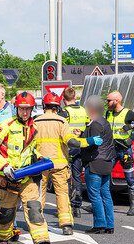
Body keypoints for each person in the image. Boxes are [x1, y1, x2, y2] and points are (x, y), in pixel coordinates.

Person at [0, 91, 54, 244]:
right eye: (22, 109)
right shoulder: (6, 125)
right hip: (7, 178)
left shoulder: (34, 128)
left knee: (34, 209)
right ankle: (2, 240)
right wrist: (5, 166)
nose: (25, 112)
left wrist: (39, 157)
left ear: (32, 109)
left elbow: (32, 149)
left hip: (26, 178)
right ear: (16, 108)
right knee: (7, 213)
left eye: (28, 109)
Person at [34, 92, 98, 235]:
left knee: (39, 194)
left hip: (40, 165)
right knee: (62, 194)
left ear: (44, 106)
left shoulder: (36, 122)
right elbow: (71, 141)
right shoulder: (62, 122)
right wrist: (89, 141)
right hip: (59, 165)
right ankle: (66, 225)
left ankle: (38, 222)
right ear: (58, 107)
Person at [105, 91, 134, 216]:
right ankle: (102, 203)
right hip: (111, 149)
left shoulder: (128, 113)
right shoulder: (108, 113)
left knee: (130, 177)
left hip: (124, 149)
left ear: (116, 101)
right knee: (104, 175)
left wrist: (131, 126)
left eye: (109, 101)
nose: (107, 103)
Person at [81, 95, 116, 234]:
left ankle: (99, 224)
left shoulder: (95, 124)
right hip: (107, 162)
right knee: (106, 194)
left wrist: (81, 141)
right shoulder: (105, 122)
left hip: (95, 162)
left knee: (95, 195)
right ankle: (109, 225)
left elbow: (93, 144)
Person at [58, 86, 89, 218]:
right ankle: (77, 207)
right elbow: (88, 127)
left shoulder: (65, 113)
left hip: (69, 148)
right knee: (77, 178)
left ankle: (67, 207)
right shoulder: (83, 110)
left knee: (65, 179)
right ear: (75, 97)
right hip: (82, 146)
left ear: (64, 100)